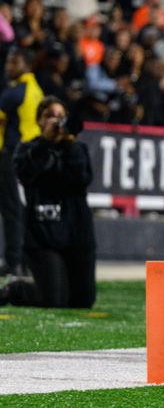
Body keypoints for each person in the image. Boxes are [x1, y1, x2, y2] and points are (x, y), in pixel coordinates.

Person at [0, 96, 95, 308]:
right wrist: (45, 142)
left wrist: (69, 143)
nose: (56, 121)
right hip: (43, 236)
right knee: (53, 300)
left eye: (61, 117)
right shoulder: (26, 149)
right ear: (39, 121)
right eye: (50, 116)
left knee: (82, 301)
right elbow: (26, 175)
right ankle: (15, 289)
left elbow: (82, 180)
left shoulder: (78, 149)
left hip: (76, 235)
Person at [0, 48, 44, 277]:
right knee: (22, 209)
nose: (8, 66)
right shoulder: (36, 90)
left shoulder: (17, 91)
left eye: (13, 62)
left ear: (26, 64)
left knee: (11, 209)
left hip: (12, 154)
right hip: (30, 154)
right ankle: (25, 261)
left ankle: (14, 261)